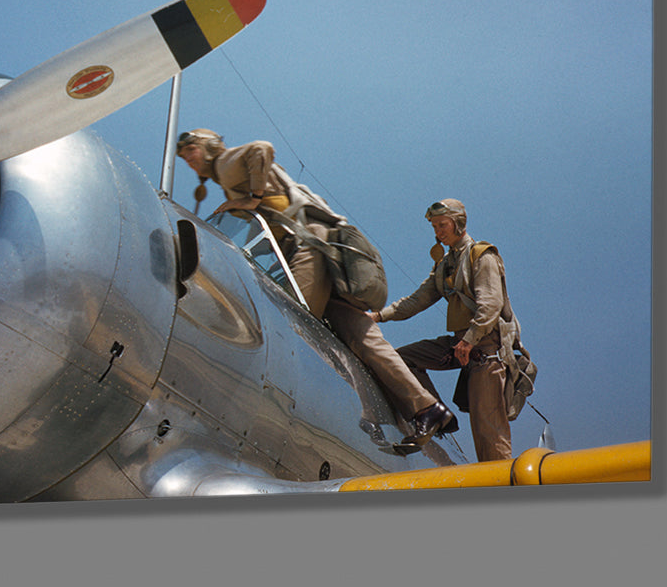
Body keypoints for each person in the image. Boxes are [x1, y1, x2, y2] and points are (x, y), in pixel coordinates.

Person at [176, 129, 456, 448]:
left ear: (208, 147)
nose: (189, 161)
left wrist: (248, 198)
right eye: (184, 158)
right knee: (362, 336)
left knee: (288, 323)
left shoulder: (226, 163)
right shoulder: (226, 172)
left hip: (308, 248)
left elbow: (261, 149)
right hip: (323, 252)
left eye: (191, 152)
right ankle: (426, 407)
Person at [367, 198, 515, 461]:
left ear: (458, 223)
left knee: (488, 434)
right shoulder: (445, 265)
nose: (438, 232)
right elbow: (416, 300)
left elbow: (491, 304)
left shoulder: (482, 255)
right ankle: (434, 412)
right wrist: (378, 315)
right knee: (402, 360)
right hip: (460, 345)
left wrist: (469, 341)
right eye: (434, 226)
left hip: (485, 352)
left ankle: (504, 492)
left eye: (442, 225)